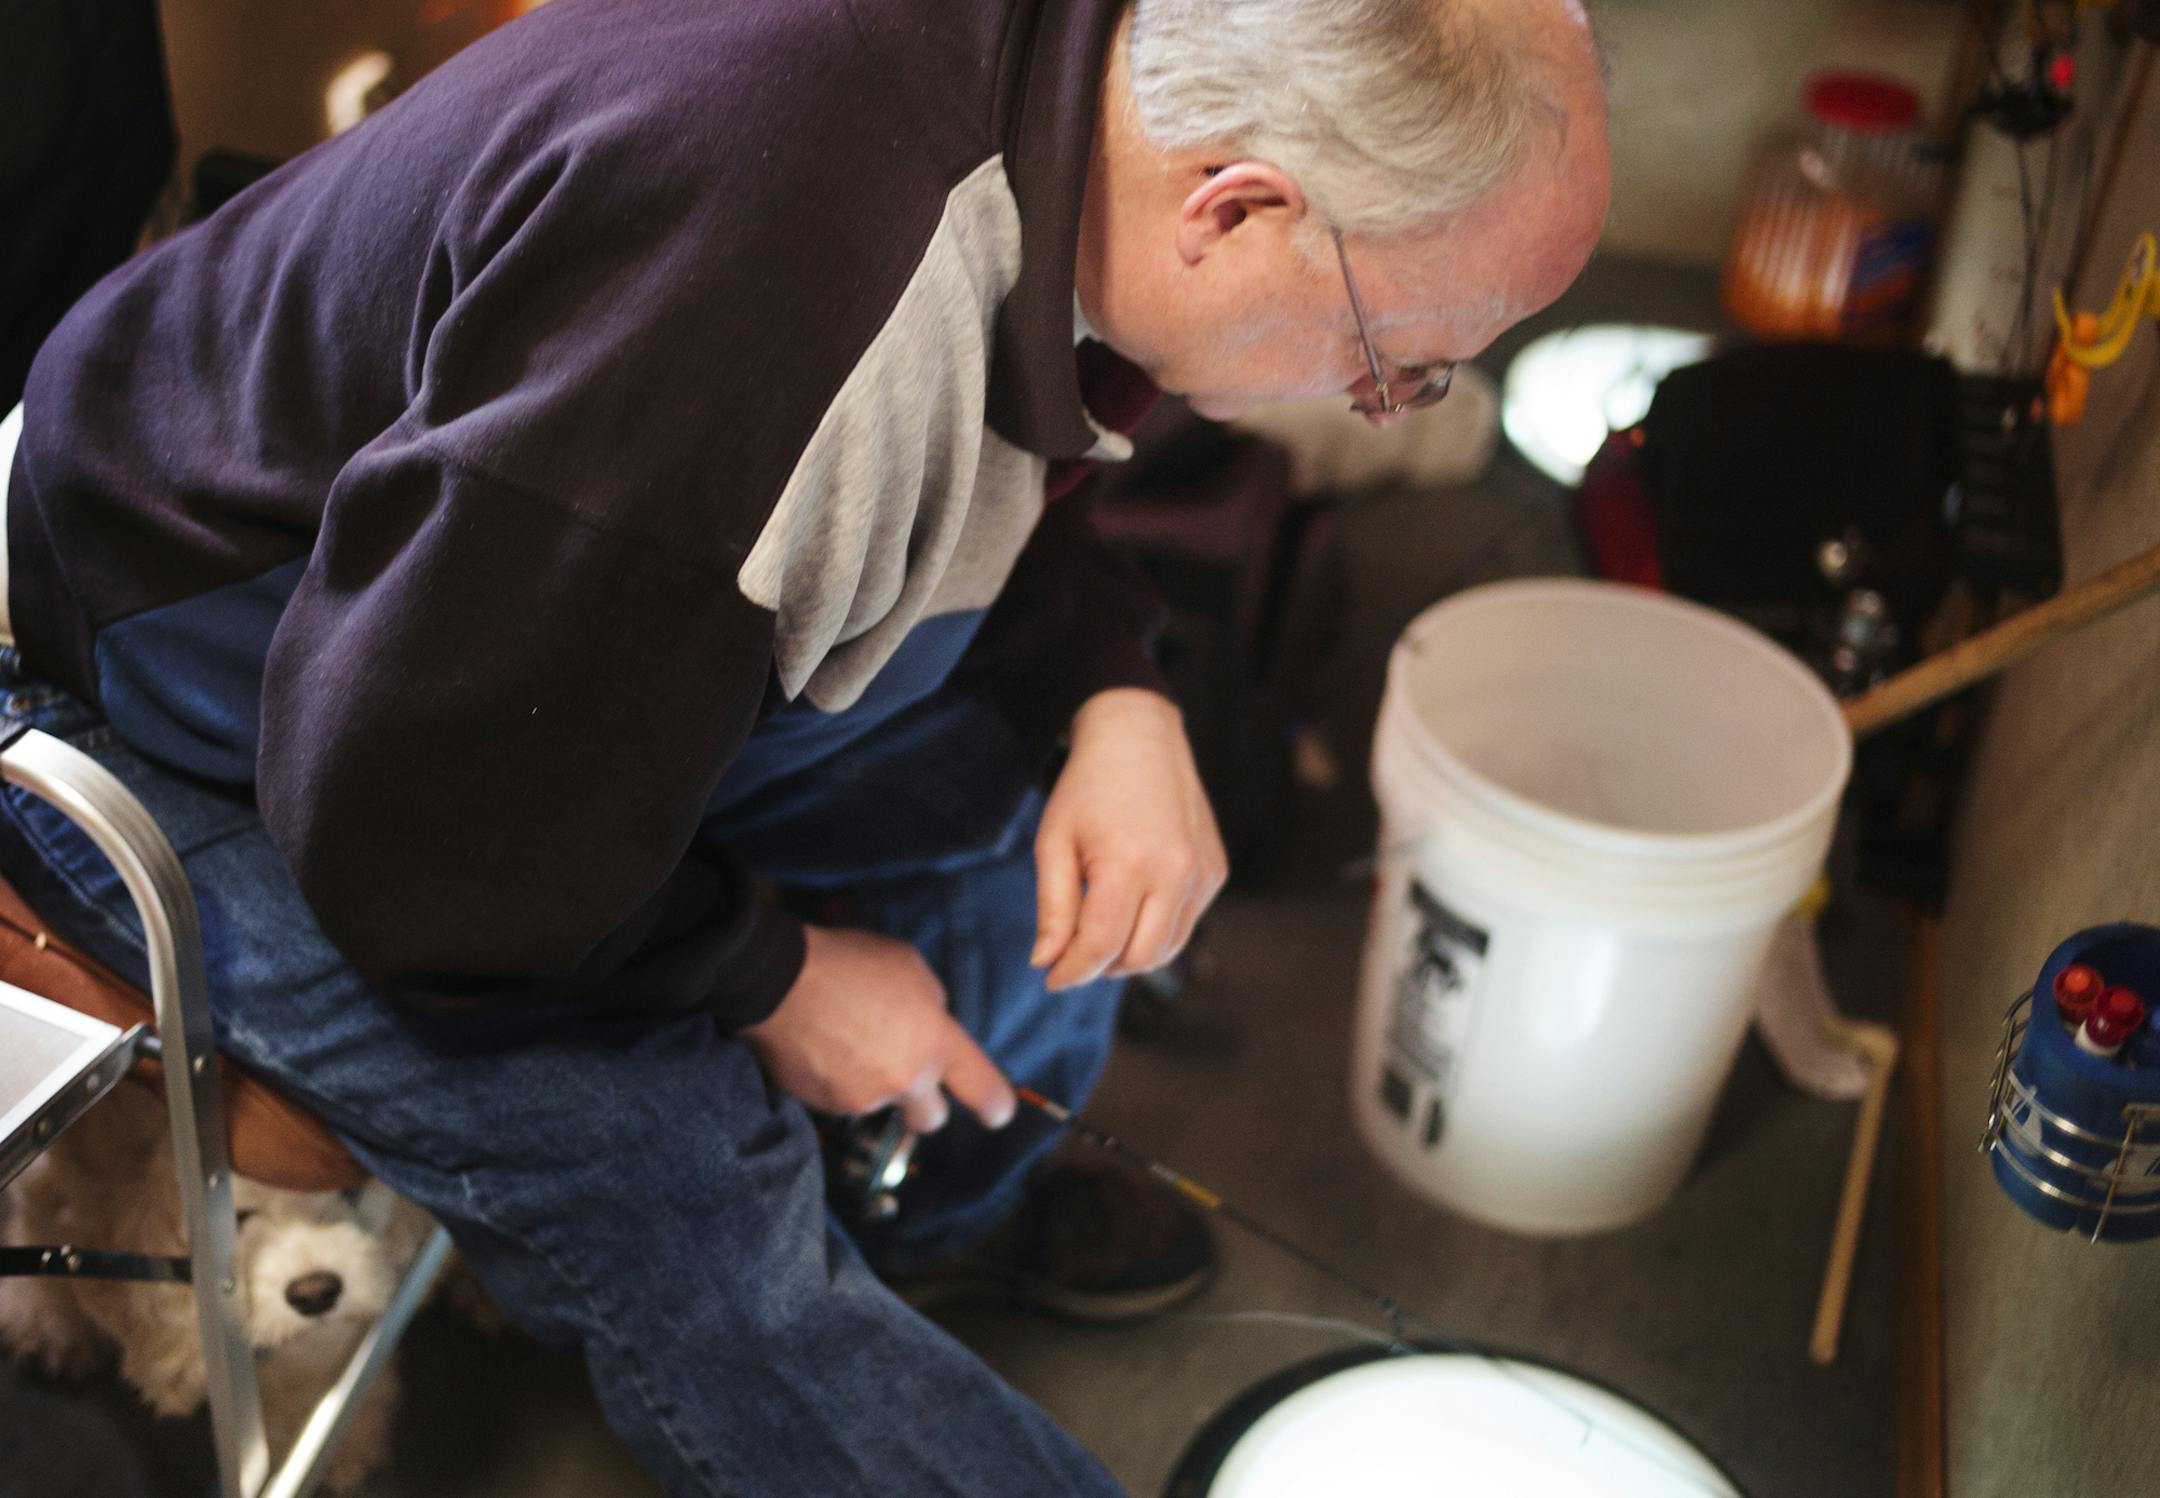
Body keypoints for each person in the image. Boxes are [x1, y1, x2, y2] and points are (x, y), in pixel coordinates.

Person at [0, 0, 1610, 1491]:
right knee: (698, 1193)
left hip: (509, 637)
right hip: (188, 693)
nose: (1388, 399)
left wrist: (1115, 688)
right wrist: (772, 977)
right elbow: (423, 838)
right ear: (1238, 209)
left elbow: (981, 444)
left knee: (1012, 801)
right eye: (1393, 353)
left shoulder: (1094, 87)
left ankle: (931, 1201)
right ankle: (820, 1232)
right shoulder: (772, 296)